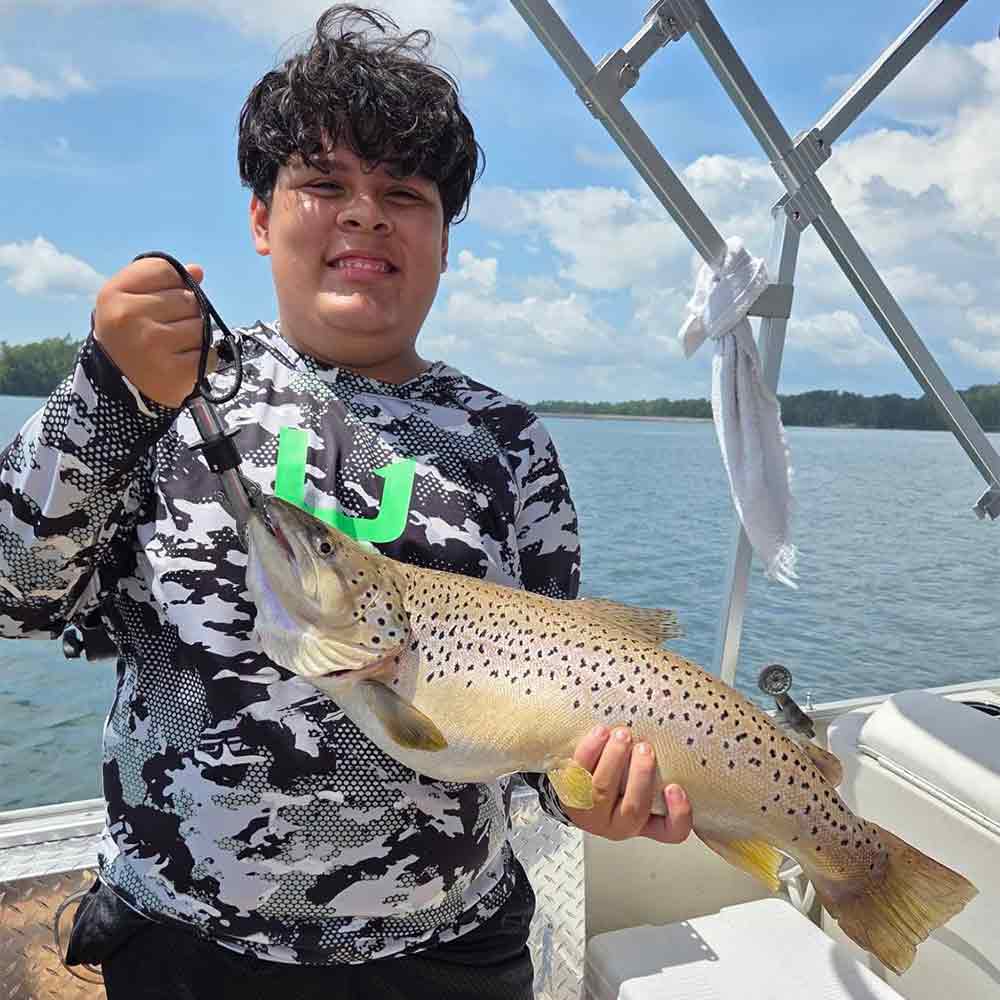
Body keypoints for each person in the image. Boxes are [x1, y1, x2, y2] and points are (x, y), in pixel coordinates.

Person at [0, 7, 691, 998]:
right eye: (324, 184)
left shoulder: (506, 445)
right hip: (191, 952)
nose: (364, 213)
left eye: (403, 192)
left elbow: (543, 723)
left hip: (451, 953)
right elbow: (13, 593)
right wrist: (104, 394)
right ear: (259, 216)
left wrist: (602, 794)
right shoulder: (156, 398)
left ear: (446, 239)